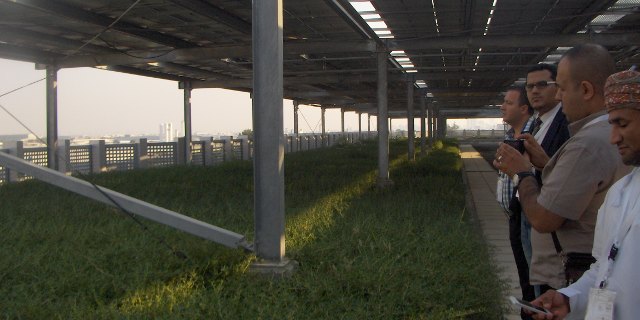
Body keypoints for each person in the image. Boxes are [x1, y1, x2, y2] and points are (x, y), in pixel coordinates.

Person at [493, 44, 629, 293]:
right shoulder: (604, 136)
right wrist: (546, 163)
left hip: (568, 272)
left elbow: (544, 218)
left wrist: (521, 172)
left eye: (562, 89)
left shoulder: (586, 144)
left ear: (586, 90)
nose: (558, 96)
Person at [530, 69, 640, 319]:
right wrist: (570, 298)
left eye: (622, 124)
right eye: (611, 125)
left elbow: (544, 218)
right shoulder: (620, 194)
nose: (613, 138)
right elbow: (604, 267)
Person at [522, 64, 570, 295]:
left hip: (550, 218)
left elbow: (565, 173)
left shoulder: (566, 123)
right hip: (531, 210)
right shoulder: (538, 123)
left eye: (542, 84)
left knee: (549, 287)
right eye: (530, 86)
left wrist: (542, 162)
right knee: (533, 279)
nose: (535, 91)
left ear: (558, 87)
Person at [496, 85, 536, 316]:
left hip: (529, 217)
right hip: (516, 215)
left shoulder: (533, 136)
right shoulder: (511, 136)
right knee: (524, 274)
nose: (502, 106)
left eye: (509, 103)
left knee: (532, 276)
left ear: (524, 108)